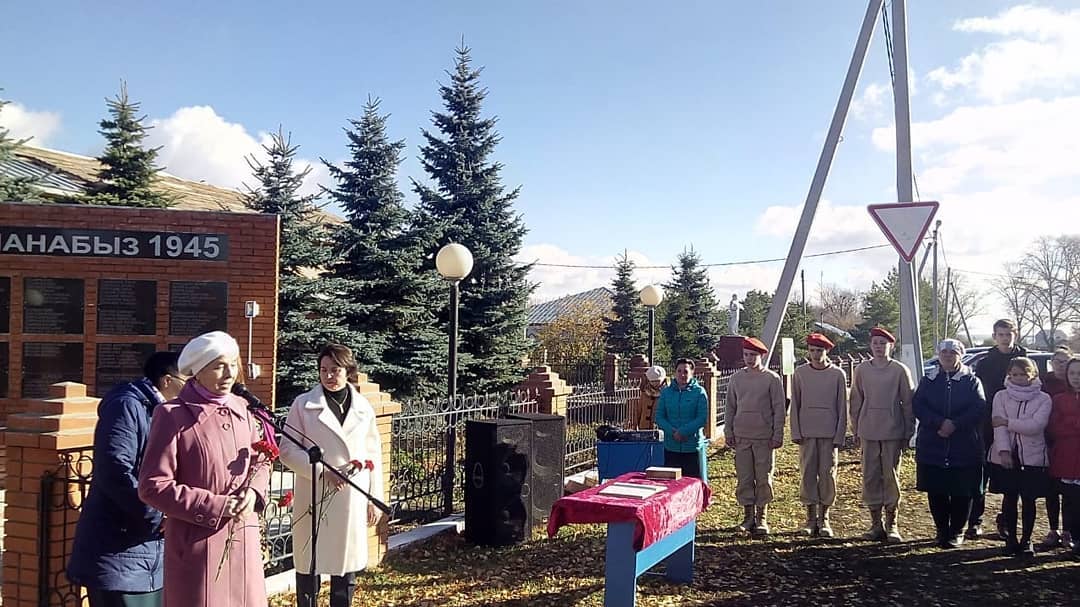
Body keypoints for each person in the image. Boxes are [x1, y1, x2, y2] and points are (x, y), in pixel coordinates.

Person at [137, 332, 271, 607]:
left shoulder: (243, 407)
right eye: (218, 366)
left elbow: (261, 459)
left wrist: (253, 492)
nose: (229, 374)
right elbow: (153, 486)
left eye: (233, 364)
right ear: (197, 371)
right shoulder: (172, 414)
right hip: (197, 546)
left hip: (243, 538)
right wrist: (215, 506)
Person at [67, 352, 187, 607]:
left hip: (150, 554)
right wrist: (157, 514)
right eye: (187, 382)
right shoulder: (127, 406)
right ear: (167, 381)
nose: (191, 390)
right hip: (118, 549)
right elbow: (115, 470)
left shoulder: (167, 412)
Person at [278, 344, 385, 607]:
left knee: (345, 565)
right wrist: (323, 471)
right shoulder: (304, 405)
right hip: (315, 495)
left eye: (335, 370)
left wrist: (374, 499)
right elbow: (287, 451)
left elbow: (373, 453)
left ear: (348, 371)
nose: (328, 376)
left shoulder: (363, 407)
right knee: (310, 562)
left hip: (351, 497)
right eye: (323, 370)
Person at [912, 340, 987, 549]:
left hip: (963, 444)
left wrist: (955, 424)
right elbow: (918, 405)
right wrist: (938, 422)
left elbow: (979, 407)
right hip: (933, 443)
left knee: (962, 491)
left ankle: (957, 530)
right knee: (937, 490)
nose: (947, 355)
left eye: (952, 352)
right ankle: (942, 529)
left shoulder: (971, 381)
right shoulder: (928, 380)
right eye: (944, 351)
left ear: (960, 355)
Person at [849, 327, 914, 544]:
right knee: (870, 476)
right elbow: (856, 401)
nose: (879, 347)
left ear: (891, 346)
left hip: (892, 431)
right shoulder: (862, 369)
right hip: (868, 430)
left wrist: (908, 431)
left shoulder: (899, 370)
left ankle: (892, 523)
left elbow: (908, 403)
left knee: (891, 476)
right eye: (875, 343)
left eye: (883, 343)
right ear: (870, 345)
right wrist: (856, 428)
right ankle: (875, 524)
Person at [987, 357, 1053, 556]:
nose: (1019, 378)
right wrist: (1004, 451)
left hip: (1032, 455)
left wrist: (1008, 422)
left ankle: (1026, 539)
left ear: (1033, 374)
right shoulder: (1001, 396)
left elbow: (1035, 426)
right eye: (1014, 374)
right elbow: (997, 426)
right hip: (1006, 454)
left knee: (1029, 499)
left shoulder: (1043, 399)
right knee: (1009, 498)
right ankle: (1011, 539)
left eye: (1023, 374)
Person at [969, 318, 1027, 540]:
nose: (1005, 338)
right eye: (1001, 334)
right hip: (988, 423)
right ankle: (975, 520)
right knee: (981, 474)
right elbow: (979, 394)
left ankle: (1006, 520)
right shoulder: (985, 363)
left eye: (1008, 334)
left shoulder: (1025, 360)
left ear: (1015, 335)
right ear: (994, 336)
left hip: (1015, 424)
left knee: (1012, 475)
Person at [725, 337, 785, 536]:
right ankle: (747, 516)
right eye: (746, 355)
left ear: (761, 356)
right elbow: (730, 407)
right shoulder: (736, 379)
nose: (749, 359)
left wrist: (777, 434)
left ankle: (761, 517)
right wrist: (729, 432)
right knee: (744, 478)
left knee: (763, 478)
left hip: (764, 438)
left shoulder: (771, 379)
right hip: (742, 436)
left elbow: (779, 409)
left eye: (753, 355)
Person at [790, 333, 848, 538]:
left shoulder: (838, 374)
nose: (815, 354)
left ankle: (825, 518)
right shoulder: (800, 373)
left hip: (828, 433)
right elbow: (795, 405)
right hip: (807, 433)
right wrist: (795, 431)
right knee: (807, 474)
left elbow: (842, 407)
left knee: (827, 474)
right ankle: (810, 518)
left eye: (820, 350)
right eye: (812, 350)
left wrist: (840, 435)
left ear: (827, 351)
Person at [1039, 346, 1073, 550]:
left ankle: (1068, 530)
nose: (1060, 365)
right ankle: (1053, 529)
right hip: (1046, 440)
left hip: (1069, 444)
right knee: (1051, 490)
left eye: (1064, 361)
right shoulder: (1042, 382)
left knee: (1069, 491)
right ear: (1051, 363)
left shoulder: (1073, 384)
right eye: (1057, 361)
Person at [654, 357, 708, 481]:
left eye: (685, 371)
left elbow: (701, 418)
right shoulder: (666, 393)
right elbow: (659, 417)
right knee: (672, 484)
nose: (682, 374)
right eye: (679, 371)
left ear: (692, 373)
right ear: (675, 372)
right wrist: (673, 432)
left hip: (692, 447)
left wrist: (683, 432)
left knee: (692, 483)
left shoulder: (699, 392)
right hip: (671, 446)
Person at [1048, 357, 1080, 559]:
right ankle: (1075, 539)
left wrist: (1070, 422)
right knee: (1071, 501)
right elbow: (1054, 428)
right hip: (1067, 457)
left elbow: (1064, 424)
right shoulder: (1059, 399)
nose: (1076, 377)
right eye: (1072, 373)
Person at [633, 365, 668, 430]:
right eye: (652, 381)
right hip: (644, 427)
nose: (655, 384)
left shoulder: (667, 394)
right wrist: (635, 424)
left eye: (657, 381)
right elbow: (639, 410)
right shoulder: (645, 393)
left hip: (660, 429)